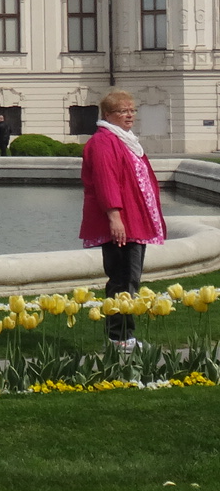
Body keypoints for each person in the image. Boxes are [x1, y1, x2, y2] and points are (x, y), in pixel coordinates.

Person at [80, 90, 166, 352]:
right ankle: (118, 338)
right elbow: (106, 180)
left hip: (133, 221)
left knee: (130, 278)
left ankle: (125, 336)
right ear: (108, 115)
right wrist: (115, 217)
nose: (129, 115)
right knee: (122, 279)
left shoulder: (125, 140)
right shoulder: (103, 142)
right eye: (122, 111)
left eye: (132, 110)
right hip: (121, 223)